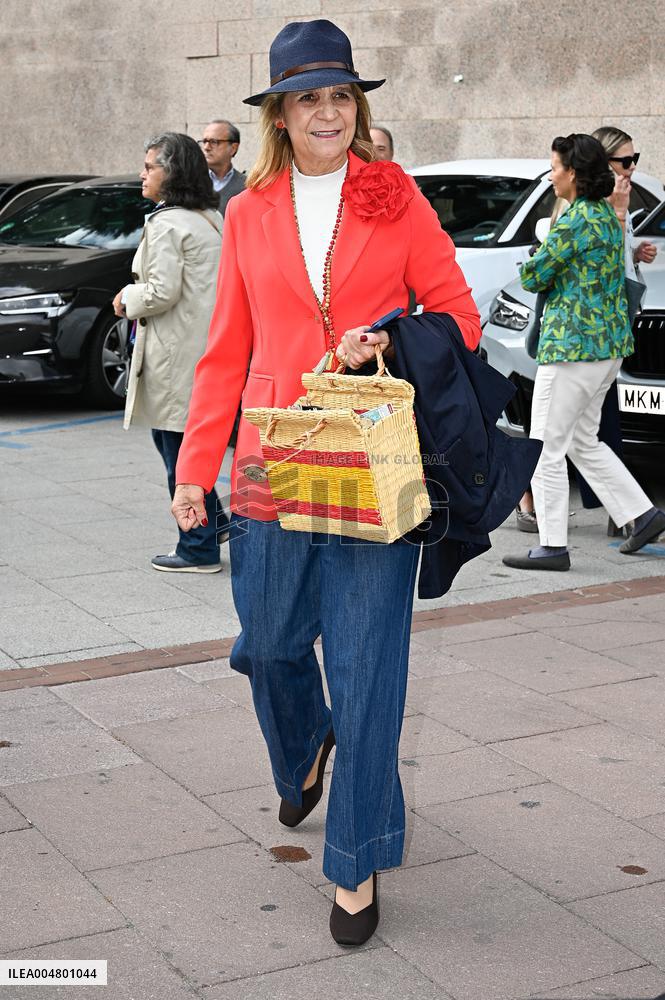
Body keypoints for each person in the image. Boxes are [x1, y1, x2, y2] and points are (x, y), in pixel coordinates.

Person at [171, 18, 481, 945]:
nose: (328, 111)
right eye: (309, 97)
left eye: (341, 95)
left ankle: (355, 863)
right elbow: (224, 350)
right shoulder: (249, 213)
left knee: (367, 660)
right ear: (278, 112)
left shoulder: (396, 198)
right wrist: (196, 467)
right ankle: (305, 748)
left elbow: (459, 318)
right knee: (266, 641)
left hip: (373, 453)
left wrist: (387, 335)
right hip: (270, 454)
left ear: (357, 107)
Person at [503, 134, 665, 572]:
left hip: (572, 350)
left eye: (555, 167)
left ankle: (552, 545)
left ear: (572, 173)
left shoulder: (574, 221)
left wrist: (537, 256)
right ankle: (642, 514)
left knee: (545, 446)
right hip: (606, 351)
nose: (551, 174)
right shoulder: (605, 218)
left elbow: (536, 276)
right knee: (582, 441)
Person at [114, 132, 229, 573]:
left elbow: (161, 292)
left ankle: (197, 547)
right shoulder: (208, 217)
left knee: (177, 453)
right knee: (188, 446)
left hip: (174, 354)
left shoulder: (167, 223)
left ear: (173, 172)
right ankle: (212, 526)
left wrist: (126, 297)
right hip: (201, 351)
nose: (142, 174)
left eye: (150, 166)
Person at [573, 126, 659, 530]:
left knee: (591, 428)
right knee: (588, 428)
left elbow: (609, 261)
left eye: (634, 160)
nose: (632, 168)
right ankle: (628, 512)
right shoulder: (594, 205)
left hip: (610, 328)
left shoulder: (615, 203)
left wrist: (634, 249)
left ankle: (628, 512)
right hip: (592, 331)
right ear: (602, 162)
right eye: (625, 161)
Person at [198, 119, 246, 216]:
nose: (206, 147)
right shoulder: (191, 182)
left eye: (214, 142)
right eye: (204, 141)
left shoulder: (246, 186)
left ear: (233, 148)